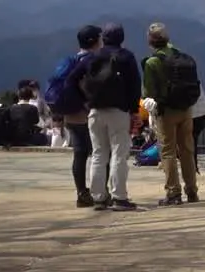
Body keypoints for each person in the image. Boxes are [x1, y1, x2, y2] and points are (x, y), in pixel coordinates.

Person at [80, 23, 142, 210]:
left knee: (98, 154)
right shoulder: (126, 57)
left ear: (103, 38)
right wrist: (134, 111)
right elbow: (134, 85)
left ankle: (98, 197)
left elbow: (76, 79)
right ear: (121, 38)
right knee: (119, 154)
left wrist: (86, 101)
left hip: (95, 111)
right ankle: (119, 197)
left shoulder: (92, 57)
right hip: (118, 111)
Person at [142, 22, 202, 206]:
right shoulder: (181, 56)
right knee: (187, 150)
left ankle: (173, 193)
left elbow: (148, 91)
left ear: (150, 41)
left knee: (167, 151)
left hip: (166, 111)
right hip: (186, 109)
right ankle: (192, 191)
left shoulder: (153, 62)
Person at [57, 25, 103, 207]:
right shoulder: (93, 61)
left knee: (80, 154)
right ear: (95, 41)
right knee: (100, 154)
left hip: (71, 115)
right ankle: (101, 192)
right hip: (89, 114)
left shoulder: (72, 60)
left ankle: (82, 193)